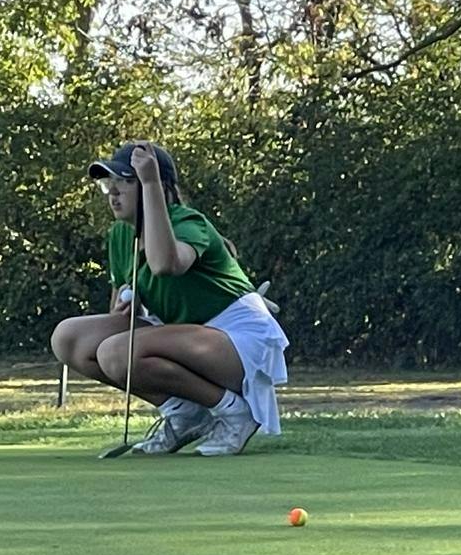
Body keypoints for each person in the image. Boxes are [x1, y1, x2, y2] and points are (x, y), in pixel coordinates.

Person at [49, 141, 289, 455]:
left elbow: (165, 264)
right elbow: (118, 317)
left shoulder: (189, 223)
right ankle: (185, 413)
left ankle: (235, 412)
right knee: (68, 339)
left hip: (239, 341)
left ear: (158, 187)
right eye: (109, 183)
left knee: (117, 352)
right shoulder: (120, 236)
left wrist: (149, 182)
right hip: (186, 340)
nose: (113, 192)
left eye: (125, 182)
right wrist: (128, 307)